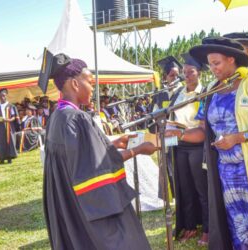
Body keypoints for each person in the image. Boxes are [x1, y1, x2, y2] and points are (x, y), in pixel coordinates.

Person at [165, 37, 248, 249]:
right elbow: (203, 130)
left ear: (231, 59)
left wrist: (238, 137)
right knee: (237, 226)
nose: (212, 69)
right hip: (227, 173)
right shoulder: (210, 91)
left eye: (216, 63)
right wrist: (179, 135)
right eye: (210, 64)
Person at [38, 51, 158, 249]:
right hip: (91, 208)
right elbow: (97, 168)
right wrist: (138, 150)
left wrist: (113, 143)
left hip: (70, 202)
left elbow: (79, 154)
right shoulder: (79, 119)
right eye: (91, 83)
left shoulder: (57, 117)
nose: (94, 89)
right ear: (75, 84)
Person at [166, 52, 209, 246]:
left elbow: (204, 124)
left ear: (199, 72)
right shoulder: (178, 93)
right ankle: (190, 225)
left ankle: (208, 229)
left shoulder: (205, 92)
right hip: (179, 145)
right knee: (185, 188)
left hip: (198, 145)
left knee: (201, 188)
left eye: (190, 72)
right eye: (184, 72)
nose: (187, 75)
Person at [0, 89, 19, 164]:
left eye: (3, 95)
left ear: (6, 95)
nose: (2, 97)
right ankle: (2, 158)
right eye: (0, 96)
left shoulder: (11, 106)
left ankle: (10, 157)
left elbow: (14, 117)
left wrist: (8, 120)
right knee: (1, 142)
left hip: (9, 125)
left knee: (9, 141)